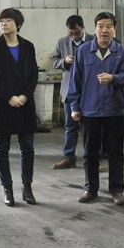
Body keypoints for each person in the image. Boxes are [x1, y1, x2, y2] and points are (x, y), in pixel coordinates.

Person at [67, 12, 124, 205]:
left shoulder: (122, 52)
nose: (104, 30)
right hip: (89, 111)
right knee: (90, 152)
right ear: (95, 28)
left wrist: (113, 78)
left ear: (114, 29)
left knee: (115, 152)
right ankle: (90, 189)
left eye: (108, 26)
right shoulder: (83, 51)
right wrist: (74, 106)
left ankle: (117, 190)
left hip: (114, 110)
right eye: (100, 26)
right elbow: (75, 81)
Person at [0, 8, 38, 207]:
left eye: (8, 20)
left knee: (27, 147)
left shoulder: (28, 46)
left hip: (25, 102)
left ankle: (27, 187)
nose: (4, 24)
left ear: (18, 24)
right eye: (1, 21)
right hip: (2, 102)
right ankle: (7, 188)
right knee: (2, 148)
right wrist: (9, 97)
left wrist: (24, 96)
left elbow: (33, 74)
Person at [50, 15, 95, 169]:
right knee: (70, 127)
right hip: (69, 91)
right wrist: (64, 61)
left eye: (76, 33)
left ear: (83, 28)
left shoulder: (93, 41)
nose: (74, 36)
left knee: (91, 128)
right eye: (71, 34)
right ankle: (69, 157)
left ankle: (94, 159)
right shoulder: (62, 42)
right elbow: (54, 61)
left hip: (90, 91)